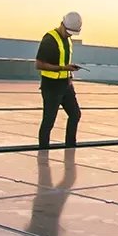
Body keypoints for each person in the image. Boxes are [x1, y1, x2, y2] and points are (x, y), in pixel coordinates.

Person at [35, 12, 83, 149]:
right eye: (68, 32)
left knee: (75, 114)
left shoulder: (67, 40)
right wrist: (63, 68)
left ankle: (70, 146)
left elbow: (62, 60)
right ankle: (43, 150)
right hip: (51, 87)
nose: (69, 35)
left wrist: (68, 71)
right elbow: (38, 64)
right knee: (49, 121)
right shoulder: (49, 39)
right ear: (62, 24)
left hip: (65, 84)